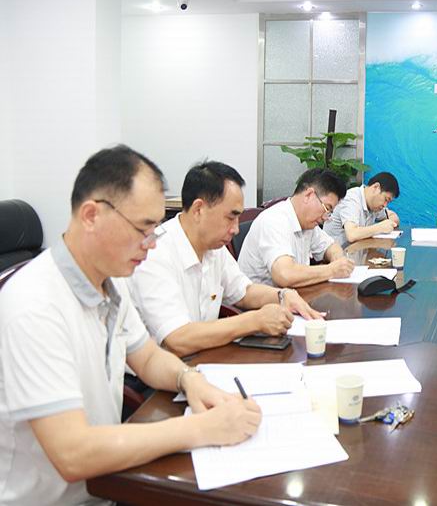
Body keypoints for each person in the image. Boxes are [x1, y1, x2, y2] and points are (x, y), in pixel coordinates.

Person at [0, 146, 261, 506]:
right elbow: (72, 453)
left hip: (108, 482)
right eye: (143, 229)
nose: (151, 245)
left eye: (155, 228)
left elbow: (148, 357)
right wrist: (200, 428)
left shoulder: (111, 281)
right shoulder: (34, 304)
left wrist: (190, 380)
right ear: (91, 215)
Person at [129, 161, 323, 357]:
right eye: (230, 217)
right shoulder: (155, 253)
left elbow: (244, 292)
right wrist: (253, 321)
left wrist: (282, 295)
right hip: (162, 369)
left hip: (203, 357)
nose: (236, 229)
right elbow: (177, 338)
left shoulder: (214, 247)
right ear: (198, 210)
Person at [238, 168, 354, 287]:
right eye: (327, 208)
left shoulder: (307, 223)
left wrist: (338, 259)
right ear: (309, 195)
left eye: (329, 212)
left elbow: (331, 246)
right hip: (264, 298)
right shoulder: (274, 220)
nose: (325, 217)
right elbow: (285, 275)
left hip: (292, 294)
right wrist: (332, 270)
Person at [323, 171, 400, 247]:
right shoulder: (351, 200)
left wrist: (389, 223)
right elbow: (352, 235)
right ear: (376, 187)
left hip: (357, 250)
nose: (385, 205)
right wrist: (380, 227)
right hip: (335, 252)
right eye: (386, 199)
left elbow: (394, 217)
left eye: (388, 202)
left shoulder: (374, 206)